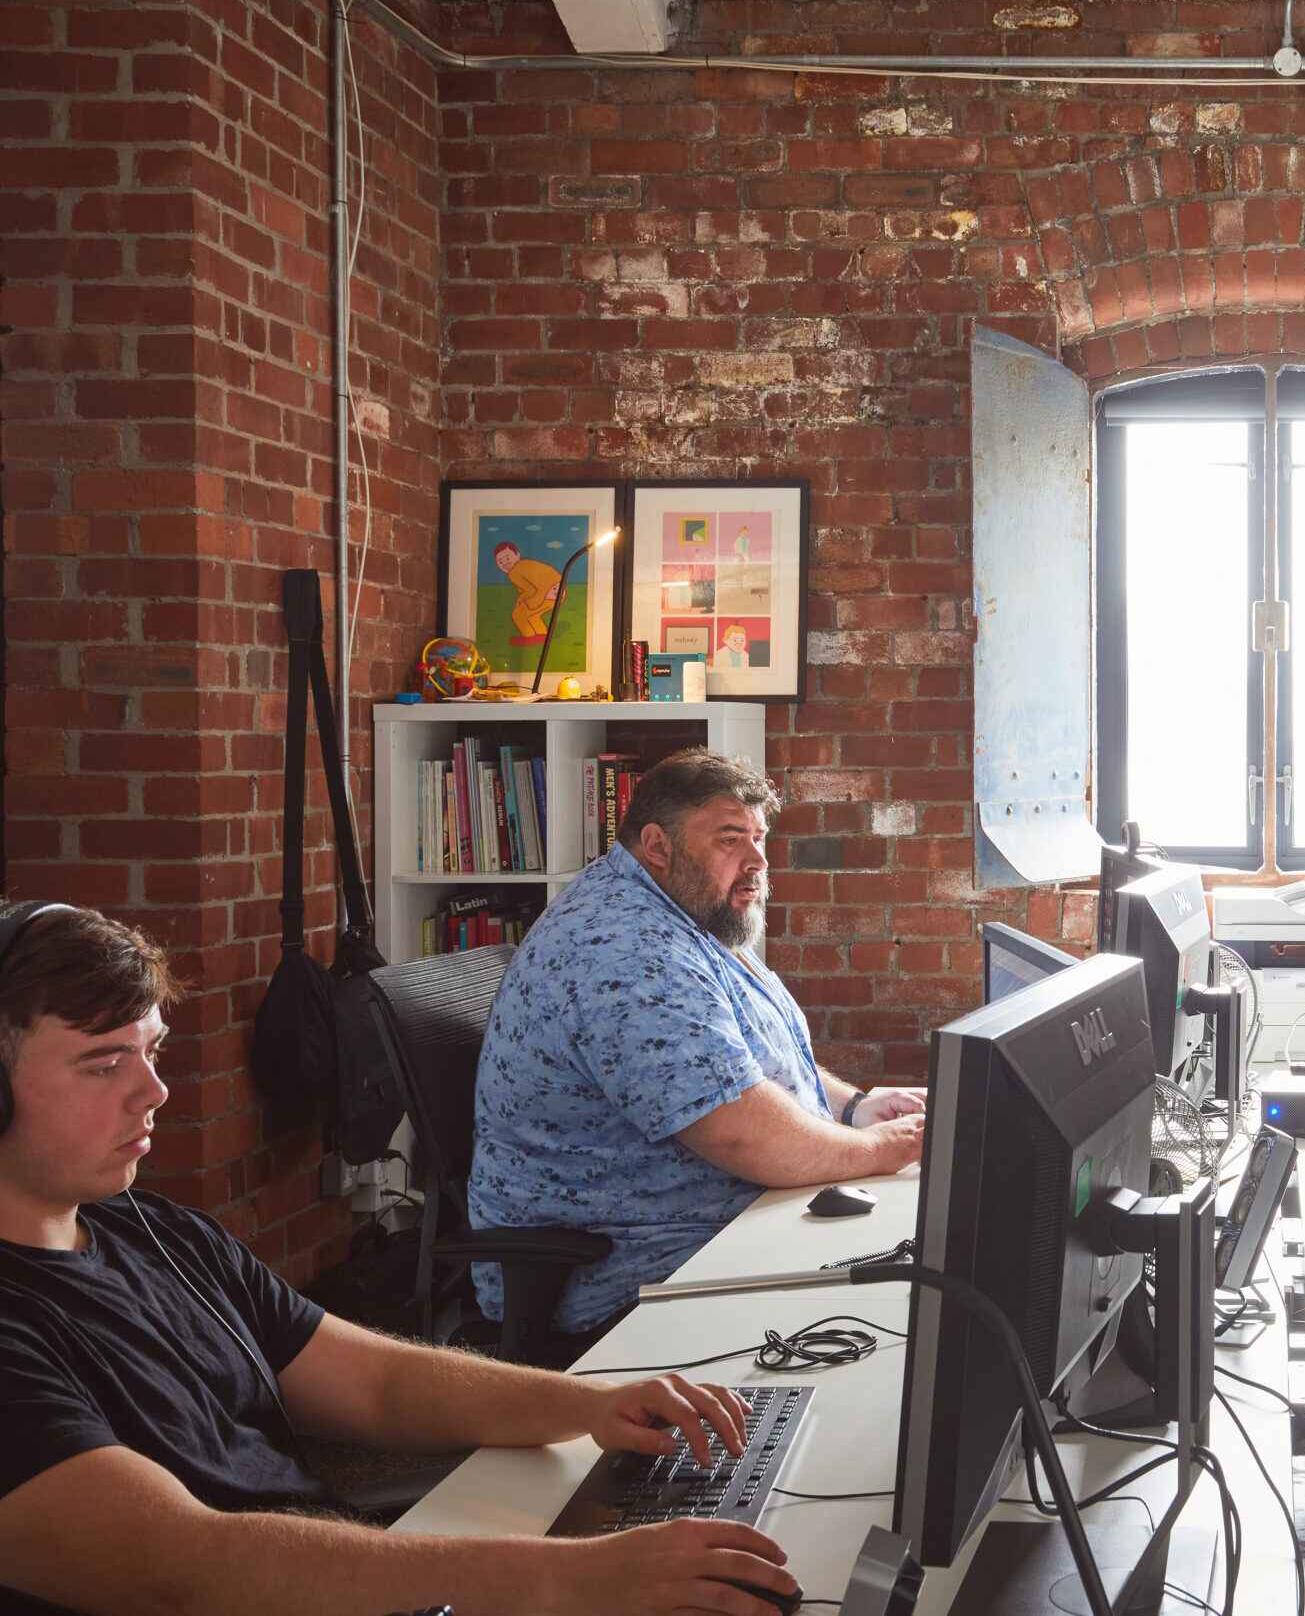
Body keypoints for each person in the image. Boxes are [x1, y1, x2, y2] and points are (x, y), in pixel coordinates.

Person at [0, 901, 802, 1616]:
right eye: (105, 1063)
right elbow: (179, 1567)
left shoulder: (154, 1230)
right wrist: (573, 1578)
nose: (154, 1091)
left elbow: (372, 1380)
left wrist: (589, 1407)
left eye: (153, 1050)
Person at [470, 749, 926, 1338]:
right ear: (658, 846)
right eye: (730, 840)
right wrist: (878, 1150)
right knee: (901, 1313)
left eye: (759, 838)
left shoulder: (679, 913)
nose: (757, 861)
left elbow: (747, 1058)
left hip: (724, 1223)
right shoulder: (625, 950)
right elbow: (740, 1133)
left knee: (911, 1270)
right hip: (631, 1266)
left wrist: (852, 1108)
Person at [492, 540, 563, 648]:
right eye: (500, 562)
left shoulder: (516, 571)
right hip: (559, 591)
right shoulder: (523, 565)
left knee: (518, 614)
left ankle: (529, 636)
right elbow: (530, 589)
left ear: (517, 555)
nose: (505, 563)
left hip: (548, 591)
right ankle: (542, 635)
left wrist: (526, 601)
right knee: (532, 615)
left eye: (507, 558)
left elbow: (535, 588)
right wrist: (523, 600)